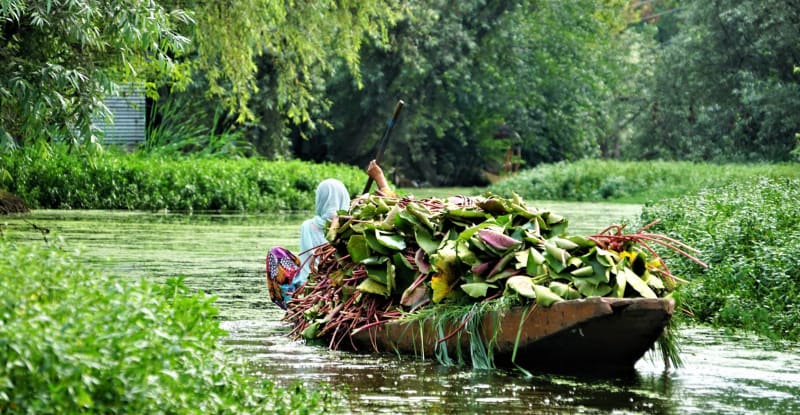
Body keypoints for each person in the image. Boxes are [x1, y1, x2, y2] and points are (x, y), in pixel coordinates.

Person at [266, 160, 393, 309]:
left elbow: (307, 263)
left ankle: (292, 304)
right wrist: (380, 180)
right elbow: (392, 210)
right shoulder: (354, 221)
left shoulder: (309, 226)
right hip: (344, 281)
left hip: (316, 285)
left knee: (275, 253)